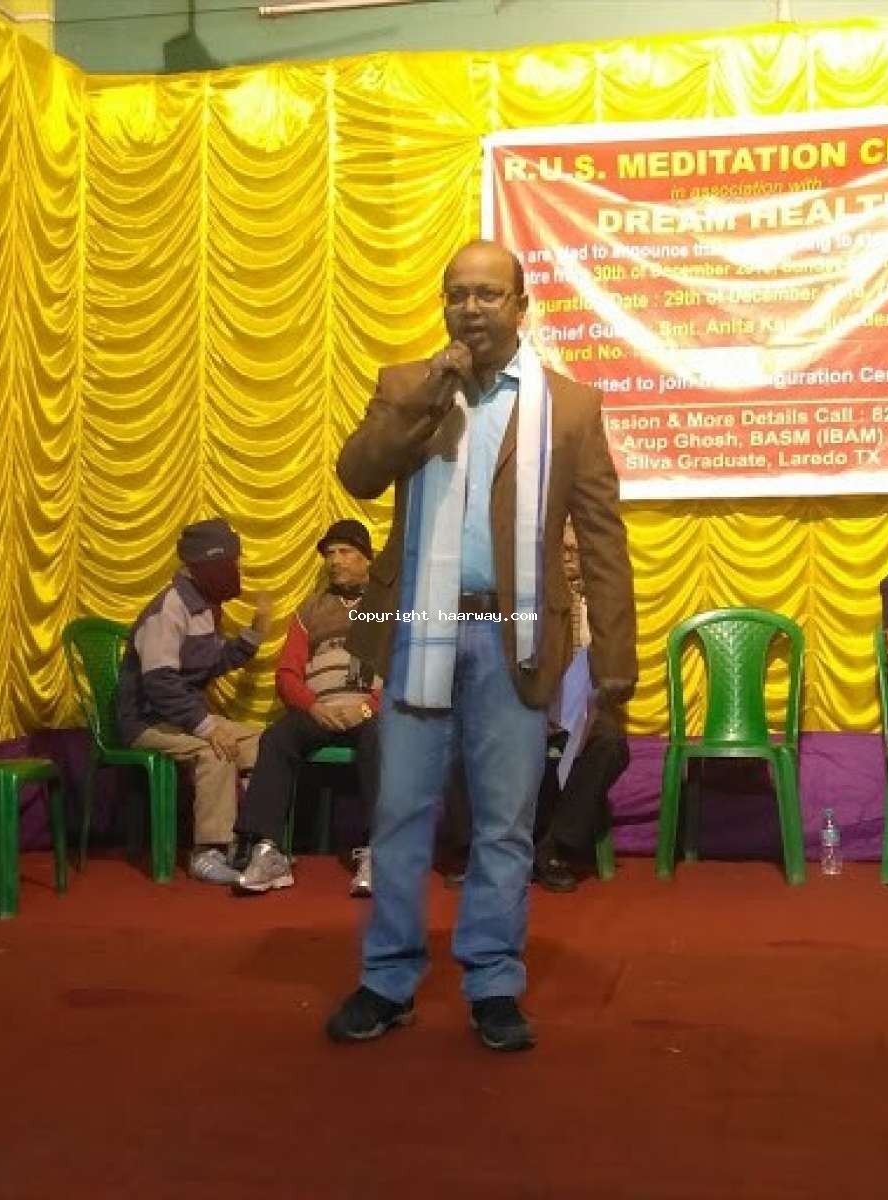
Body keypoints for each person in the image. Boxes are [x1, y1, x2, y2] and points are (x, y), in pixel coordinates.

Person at [327, 238, 637, 1051]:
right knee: (400, 814)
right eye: (457, 293)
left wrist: (615, 655)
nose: (470, 307)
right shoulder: (408, 386)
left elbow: (601, 537)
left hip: (517, 637)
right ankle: (387, 978)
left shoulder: (570, 407)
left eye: (488, 294)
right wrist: (429, 391)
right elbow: (359, 475)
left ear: (521, 306)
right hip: (416, 631)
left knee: (504, 822)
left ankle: (494, 982)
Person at [117, 517, 271, 885]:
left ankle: (250, 840)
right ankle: (208, 851)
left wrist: (253, 634)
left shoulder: (205, 607)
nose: (237, 571)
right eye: (231, 563)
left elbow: (209, 664)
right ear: (207, 565)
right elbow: (160, 684)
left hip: (181, 717)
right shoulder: (168, 609)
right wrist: (208, 728)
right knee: (216, 751)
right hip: (147, 721)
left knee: (268, 744)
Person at [232, 519, 381, 897]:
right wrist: (312, 707)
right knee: (277, 738)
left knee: (384, 738)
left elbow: (409, 669)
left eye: (345, 552)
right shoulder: (310, 609)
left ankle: (380, 852)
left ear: (367, 559)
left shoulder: (389, 606)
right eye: (330, 554)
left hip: (369, 712)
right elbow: (287, 674)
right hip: (321, 710)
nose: (335, 560)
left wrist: (368, 708)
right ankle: (268, 850)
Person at [533, 520, 630, 892]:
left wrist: (589, 710)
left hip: (588, 708)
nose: (570, 558)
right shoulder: (533, 599)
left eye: (577, 551)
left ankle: (555, 847)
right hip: (535, 703)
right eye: (564, 551)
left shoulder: (607, 603)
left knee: (611, 746)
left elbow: (618, 669)